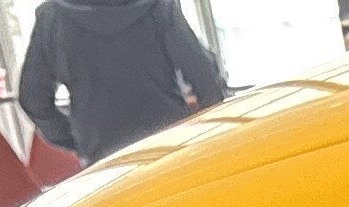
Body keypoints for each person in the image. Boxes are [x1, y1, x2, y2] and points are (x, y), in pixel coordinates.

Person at [15, 0, 228, 167]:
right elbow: (205, 78)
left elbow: (32, 99)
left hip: (103, 154)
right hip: (169, 141)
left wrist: (75, 138)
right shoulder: (157, 6)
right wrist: (207, 133)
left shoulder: (52, 17)